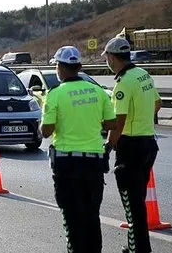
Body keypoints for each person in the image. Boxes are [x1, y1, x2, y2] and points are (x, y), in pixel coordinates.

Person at [41, 46, 116, 253]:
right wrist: (89, 122)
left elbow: (46, 131)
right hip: (93, 163)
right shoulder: (98, 92)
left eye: (56, 65)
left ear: (61, 68)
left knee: (72, 219)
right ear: (79, 67)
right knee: (92, 217)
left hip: (67, 165)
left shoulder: (55, 94)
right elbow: (111, 123)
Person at [102, 37, 161, 253]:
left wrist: (108, 147)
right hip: (148, 145)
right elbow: (157, 103)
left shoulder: (124, 82)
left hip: (131, 148)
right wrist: (143, 120)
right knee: (137, 202)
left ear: (112, 57)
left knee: (132, 206)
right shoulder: (143, 74)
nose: (107, 61)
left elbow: (119, 122)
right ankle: (135, 246)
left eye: (107, 57)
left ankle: (139, 250)